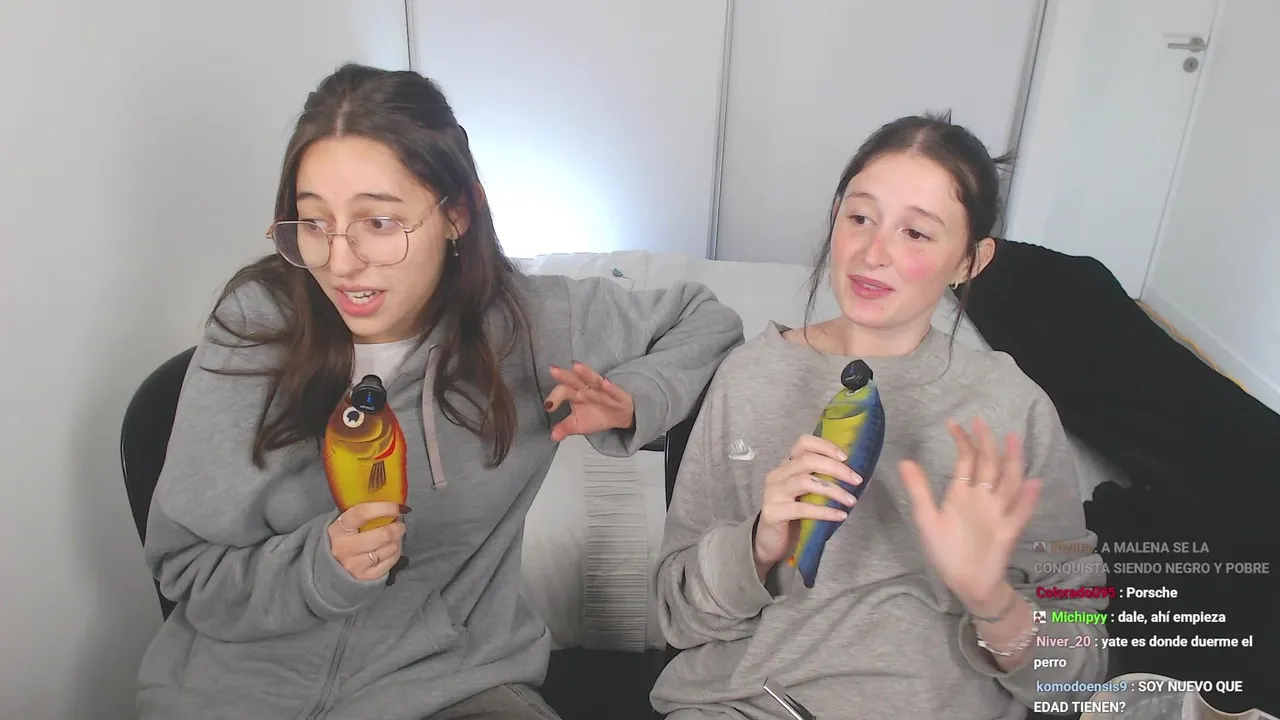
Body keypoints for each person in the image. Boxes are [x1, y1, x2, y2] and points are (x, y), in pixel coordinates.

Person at [135, 63, 743, 720]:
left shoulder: (534, 323)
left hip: (449, 687)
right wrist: (319, 568)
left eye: (378, 222)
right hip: (240, 691)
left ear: (457, 213)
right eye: (313, 223)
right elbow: (187, 567)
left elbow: (704, 319)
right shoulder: (256, 326)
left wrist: (634, 397)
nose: (340, 262)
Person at [649, 114, 1110, 719]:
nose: (873, 253)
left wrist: (990, 599)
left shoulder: (1012, 407)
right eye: (860, 218)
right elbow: (675, 615)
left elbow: (1076, 678)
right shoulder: (749, 375)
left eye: (916, 233)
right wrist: (757, 546)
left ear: (970, 261)